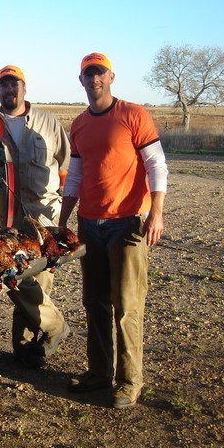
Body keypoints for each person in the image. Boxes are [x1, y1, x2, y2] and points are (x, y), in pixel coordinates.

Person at [60, 52, 168, 409]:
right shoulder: (78, 125)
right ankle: (99, 373)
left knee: (126, 304)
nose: (94, 79)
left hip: (127, 223)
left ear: (111, 77)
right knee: (94, 302)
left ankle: (129, 381)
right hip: (89, 224)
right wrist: (63, 221)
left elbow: (156, 166)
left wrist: (156, 213)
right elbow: (74, 175)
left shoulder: (133, 115)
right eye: (88, 74)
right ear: (81, 80)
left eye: (99, 73)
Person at [0, 65, 71, 369]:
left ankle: (27, 350)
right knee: (12, 278)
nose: (9, 90)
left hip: (43, 214)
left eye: (14, 84)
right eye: (3, 85)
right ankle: (56, 327)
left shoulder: (48, 123)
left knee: (38, 281)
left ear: (24, 89)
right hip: (2, 216)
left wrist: (61, 213)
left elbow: (66, 167)